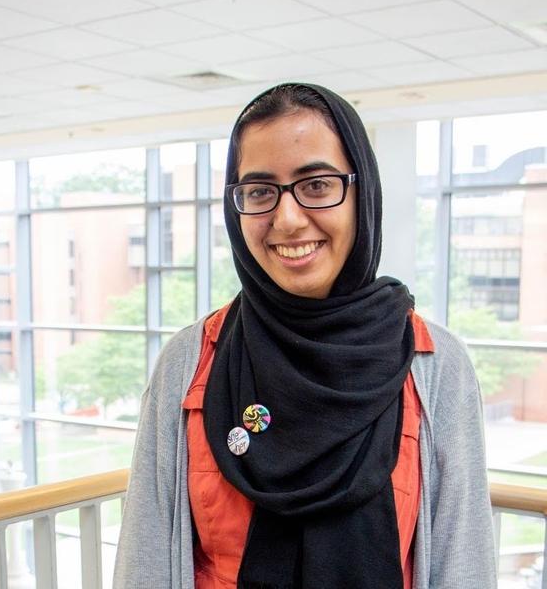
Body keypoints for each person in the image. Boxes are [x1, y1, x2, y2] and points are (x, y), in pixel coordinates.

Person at [113, 83, 497, 589]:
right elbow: (146, 560)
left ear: (363, 194)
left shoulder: (433, 363)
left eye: (316, 185)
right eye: (260, 191)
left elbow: (461, 561)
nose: (288, 220)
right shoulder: (190, 361)